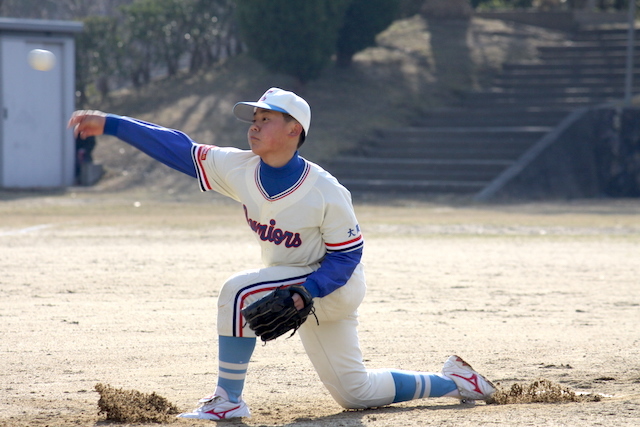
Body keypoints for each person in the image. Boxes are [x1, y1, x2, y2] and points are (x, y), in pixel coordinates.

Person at [68, 88, 496, 420]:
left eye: (266, 119)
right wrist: (112, 124)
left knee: (237, 292)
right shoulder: (239, 168)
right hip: (295, 287)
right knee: (355, 393)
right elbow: (179, 148)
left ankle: (227, 401)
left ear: (295, 130)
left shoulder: (325, 190)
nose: (254, 126)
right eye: (253, 119)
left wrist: (307, 291)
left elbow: (346, 258)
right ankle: (453, 382)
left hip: (331, 286)